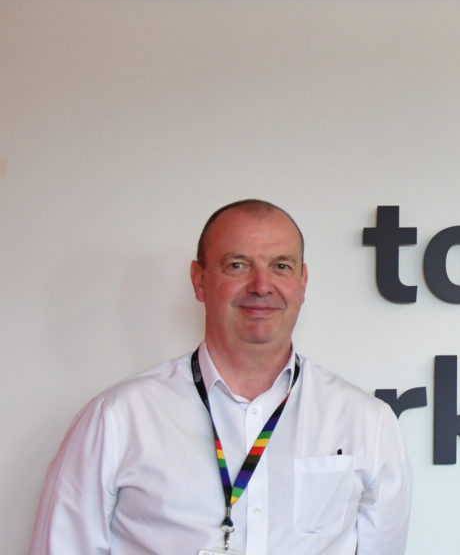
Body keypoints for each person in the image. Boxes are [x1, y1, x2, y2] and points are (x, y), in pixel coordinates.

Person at [30, 199, 412, 554]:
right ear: (199, 280)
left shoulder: (366, 422)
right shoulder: (116, 419)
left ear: (302, 282)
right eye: (237, 265)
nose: (262, 286)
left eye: (281, 266)